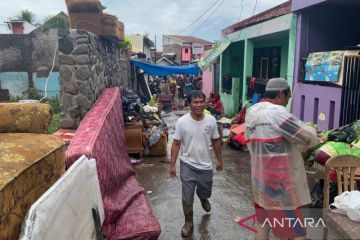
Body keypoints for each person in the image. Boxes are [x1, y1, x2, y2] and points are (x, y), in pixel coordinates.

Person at [244, 78, 318, 240]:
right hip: (280, 185)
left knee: (262, 224)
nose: (287, 102)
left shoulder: (252, 112)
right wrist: (313, 130)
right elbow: (308, 138)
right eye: (287, 97)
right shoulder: (277, 113)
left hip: (259, 181)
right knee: (297, 233)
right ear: (280, 94)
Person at [170, 90, 223, 237]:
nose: (199, 105)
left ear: (205, 103)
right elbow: (176, 143)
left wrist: (219, 160)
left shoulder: (211, 120)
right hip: (187, 164)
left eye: (201, 102)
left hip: (205, 165)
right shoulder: (182, 122)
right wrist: (173, 165)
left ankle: (203, 197)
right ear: (189, 104)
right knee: (187, 196)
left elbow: (216, 141)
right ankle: (188, 222)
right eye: (195, 102)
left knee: (205, 190)